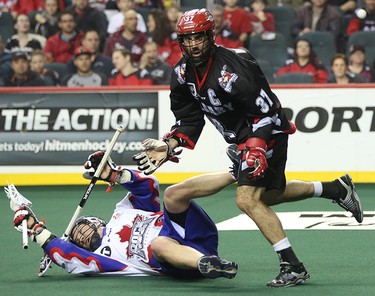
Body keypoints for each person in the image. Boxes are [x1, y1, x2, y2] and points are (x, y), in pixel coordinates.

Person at [132, 8, 363, 288]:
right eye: (187, 39)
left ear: (210, 36)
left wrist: (255, 147)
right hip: (243, 140)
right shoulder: (181, 73)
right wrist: (169, 144)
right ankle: (336, 189)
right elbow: (190, 119)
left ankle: (293, 266)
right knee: (271, 196)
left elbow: (267, 110)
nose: (193, 44)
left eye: (198, 37)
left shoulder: (232, 67)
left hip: (268, 132)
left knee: (247, 199)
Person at [8, 151, 238, 279]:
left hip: (186, 230)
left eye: (83, 225)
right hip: (178, 259)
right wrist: (35, 228)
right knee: (159, 245)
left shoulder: (122, 211)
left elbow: (149, 186)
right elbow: (68, 256)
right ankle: (208, 264)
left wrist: (114, 175)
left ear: (99, 220)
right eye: (78, 237)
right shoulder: (103, 259)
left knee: (172, 194)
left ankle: (237, 172)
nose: (80, 233)